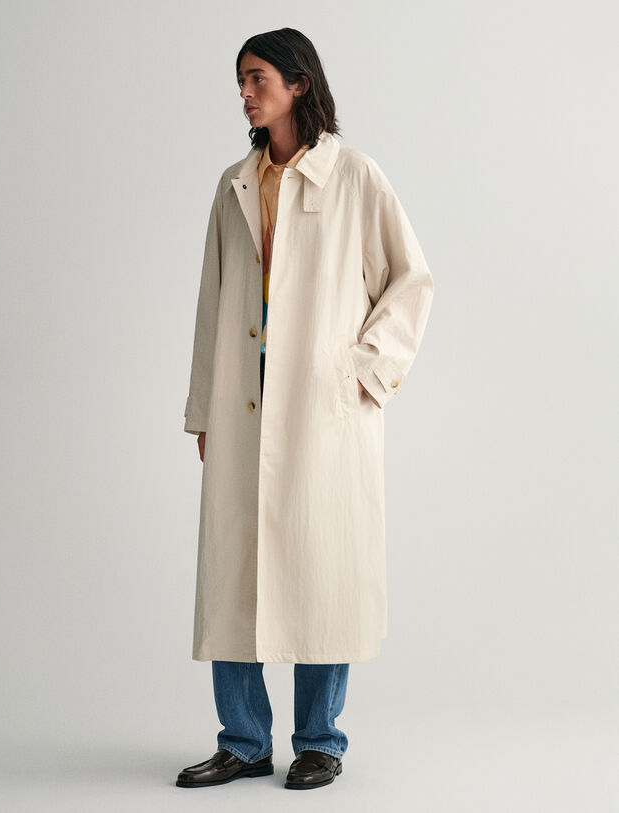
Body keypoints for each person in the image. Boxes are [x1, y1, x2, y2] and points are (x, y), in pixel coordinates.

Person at [177, 28, 434, 790]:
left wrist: (363, 373)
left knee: (323, 569)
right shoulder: (233, 183)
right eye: (240, 80)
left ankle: (320, 739)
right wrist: (203, 408)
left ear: (299, 83)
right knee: (234, 571)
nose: (244, 93)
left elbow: (411, 282)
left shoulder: (354, 177)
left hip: (323, 409)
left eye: (257, 78)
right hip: (242, 401)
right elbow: (212, 302)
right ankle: (244, 740)